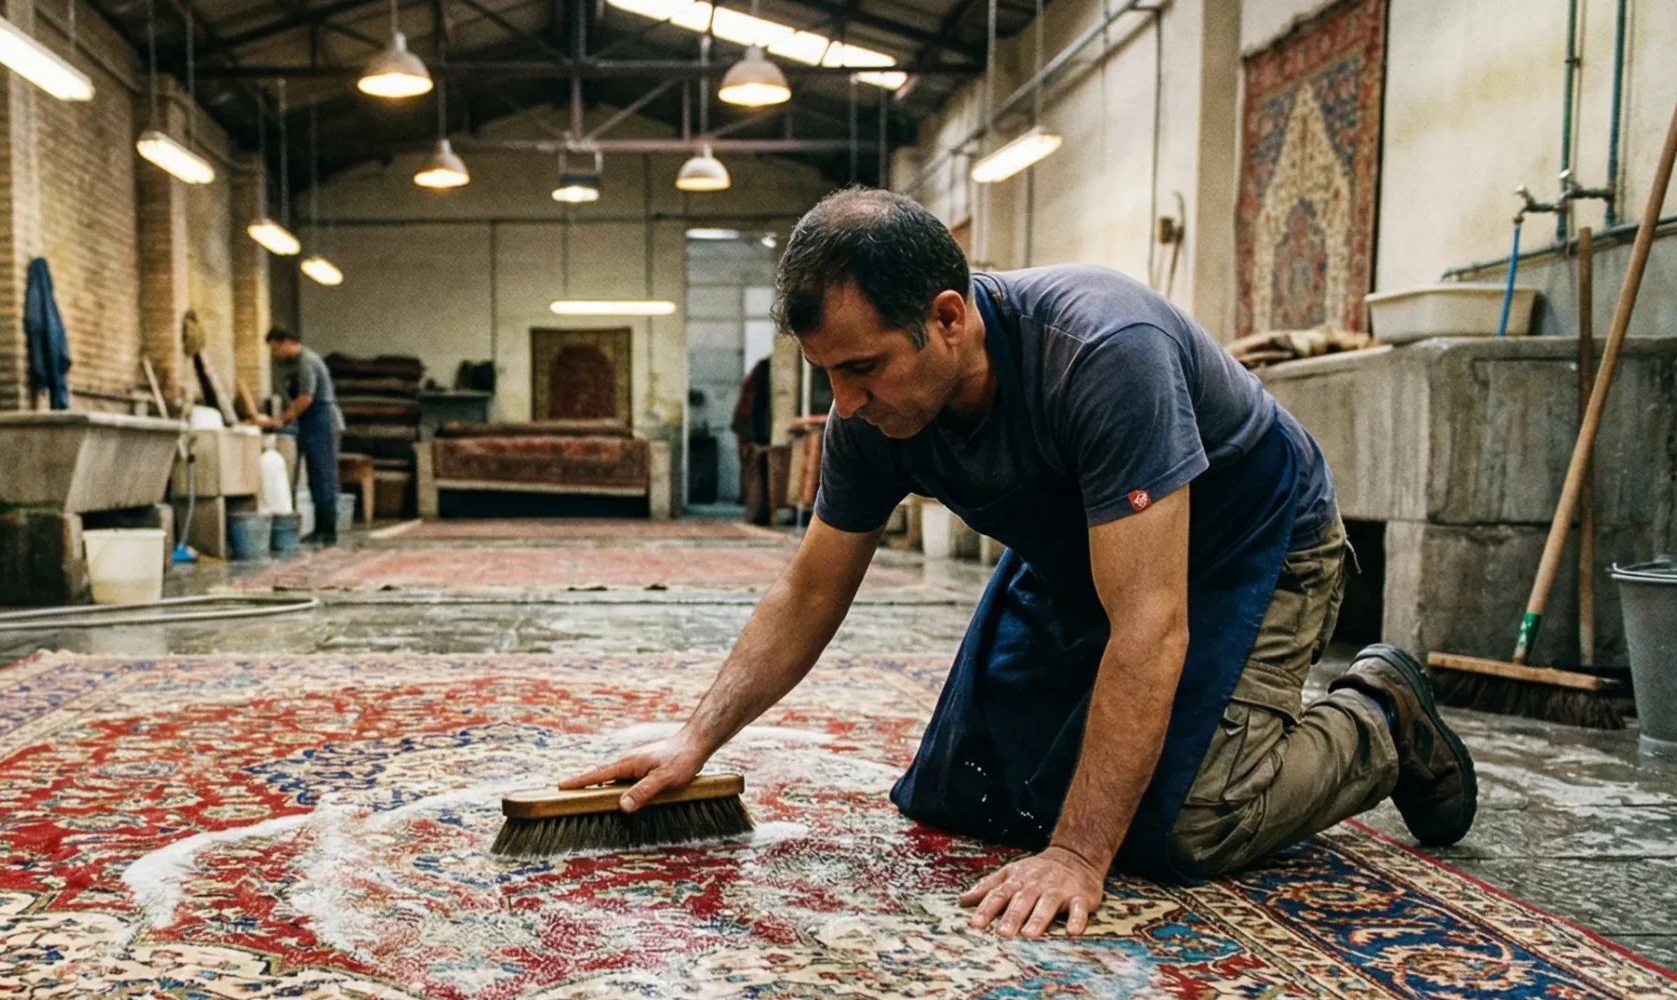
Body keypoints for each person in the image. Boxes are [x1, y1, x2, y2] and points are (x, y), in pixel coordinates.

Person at [567, 188, 1477, 940]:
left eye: (865, 367)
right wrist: (697, 738)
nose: (845, 401)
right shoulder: (870, 412)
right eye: (828, 373)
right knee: (962, 796)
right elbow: (810, 585)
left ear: (949, 319)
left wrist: (1080, 855)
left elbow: (1152, 626)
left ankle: (1377, 720)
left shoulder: (1104, 354)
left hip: (1251, 544)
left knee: (1183, 827)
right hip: (1084, 554)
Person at [261, 327, 345, 544]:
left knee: (323, 474)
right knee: (315, 476)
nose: (275, 354)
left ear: (288, 342)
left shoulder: (307, 361)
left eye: (276, 348)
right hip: (310, 422)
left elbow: (306, 398)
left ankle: (328, 530)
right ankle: (320, 528)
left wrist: (282, 419)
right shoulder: (293, 364)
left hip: (322, 419)